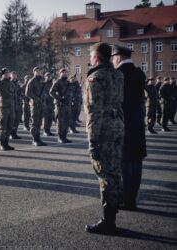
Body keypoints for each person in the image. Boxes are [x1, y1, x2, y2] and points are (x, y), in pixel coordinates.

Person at [84, 42, 124, 234]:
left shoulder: (95, 78)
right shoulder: (118, 74)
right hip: (117, 128)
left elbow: (93, 112)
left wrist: (92, 141)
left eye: (91, 55)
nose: (90, 59)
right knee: (115, 172)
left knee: (105, 175)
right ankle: (113, 214)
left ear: (97, 57)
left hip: (103, 131)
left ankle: (108, 221)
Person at [112, 45, 147, 211]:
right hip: (138, 124)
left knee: (125, 162)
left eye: (113, 58)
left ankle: (125, 199)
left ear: (118, 58)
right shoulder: (140, 73)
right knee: (136, 161)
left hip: (123, 123)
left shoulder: (118, 74)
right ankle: (132, 198)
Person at [0, 68, 15, 151]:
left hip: (11, 107)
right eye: (5, 73)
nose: (7, 74)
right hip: (3, 107)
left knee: (9, 127)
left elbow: (13, 95)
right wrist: (0, 72)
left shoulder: (11, 84)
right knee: (2, 127)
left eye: (8, 73)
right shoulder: (0, 83)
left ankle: (6, 143)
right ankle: (2, 144)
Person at [50, 68, 72, 143]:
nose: (64, 73)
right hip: (60, 104)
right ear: (60, 73)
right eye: (63, 72)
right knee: (60, 122)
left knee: (66, 121)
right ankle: (60, 137)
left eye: (65, 72)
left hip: (67, 104)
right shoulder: (58, 81)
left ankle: (64, 136)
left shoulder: (68, 82)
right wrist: (59, 98)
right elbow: (51, 92)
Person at [26, 67, 47, 146]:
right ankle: (34, 139)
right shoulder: (32, 81)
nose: (38, 72)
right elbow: (27, 93)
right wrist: (36, 98)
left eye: (39, 71)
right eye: (37, 71)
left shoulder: (41, 81)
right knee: (35, 123)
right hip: (35, 105)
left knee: (39, 122)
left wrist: (43, 97)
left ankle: (38, 138)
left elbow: (44, 91)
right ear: (34, 72)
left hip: (41, 104)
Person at [10, 71, 22, 139]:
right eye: (13, 75)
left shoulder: (18, 83)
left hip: (18, 103)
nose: (14, 76)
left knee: (17, 119)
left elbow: (22, 90)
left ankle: (14, 133)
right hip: (12, 103)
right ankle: (11, 133)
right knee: (12, 119)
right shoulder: (9, 83)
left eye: (15, 75)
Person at [42, 72, 55, 136]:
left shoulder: (52, 83)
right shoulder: (43, 84)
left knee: (50, 117)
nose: (48, 77)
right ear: (45, 76)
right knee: (46, 118)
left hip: (51, 102)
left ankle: (48, 130)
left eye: (49, 76)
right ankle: (45, 130)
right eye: (47, 76)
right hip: (45, 103)